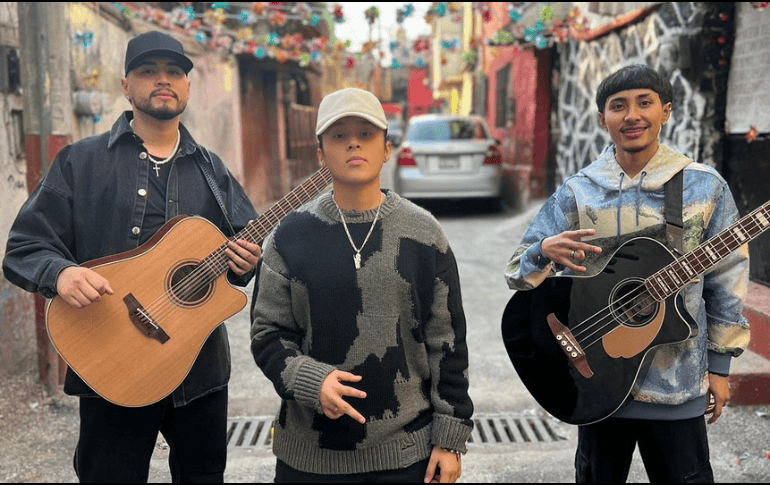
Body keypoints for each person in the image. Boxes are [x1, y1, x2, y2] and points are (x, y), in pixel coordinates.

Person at [2, 30, 261, 482]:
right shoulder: (79, 163)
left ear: (186, 85)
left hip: (198, 372)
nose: (163, 80)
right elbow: (24, 247)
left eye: (174, 72)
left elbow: (240, 257)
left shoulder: (213, 170)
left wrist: (245, 263)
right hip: (111, 364)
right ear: (125, 85)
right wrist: (60, 274)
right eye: (148, 70)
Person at [504, 64, 750, 483]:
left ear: (666, 110)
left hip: (678, 383)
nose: (632, 115)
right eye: (618, 106)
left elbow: (726, 278)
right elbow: (516, 269)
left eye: (644, 103)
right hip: (594, 380)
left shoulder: (704, 187)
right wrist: (542, 250)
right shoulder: (579, 190)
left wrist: (720, 366)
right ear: (603, 119)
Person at [250, 88, 474, 483]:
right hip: (307, 460)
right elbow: (268, 333)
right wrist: (310, 379)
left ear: (387, 149)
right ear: (321, 155)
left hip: (406, 457)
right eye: (338, 135)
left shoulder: (424, 234)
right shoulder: (291, 235)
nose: (353, 142)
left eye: (366, 134)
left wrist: (450, 439)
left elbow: (447, 343)